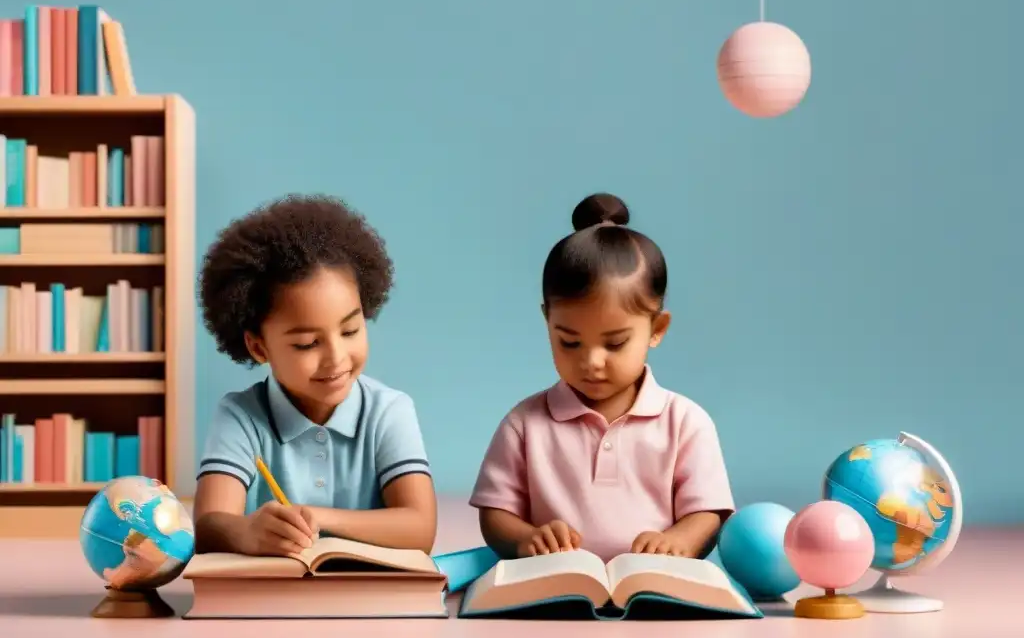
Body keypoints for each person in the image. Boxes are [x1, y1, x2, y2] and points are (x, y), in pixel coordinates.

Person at [469, 193, 735, 563]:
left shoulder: (685, 422)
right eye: (569, 341)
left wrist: (680, 540)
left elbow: (707, 511)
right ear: (548, 321)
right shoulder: (525, 423)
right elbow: (496, 514)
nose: (592, 362)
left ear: (657, 329)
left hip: (652, 586)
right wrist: (527, 538)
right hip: (557, 587)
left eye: (615, 343)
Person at [192, 194, 437, 556]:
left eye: (351, 331)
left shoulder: (389, 411)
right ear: (259, 348)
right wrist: (245, 532)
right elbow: (210, 524)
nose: (336, 358)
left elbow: (419, 528)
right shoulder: (240, 417)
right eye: (308, 344)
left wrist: (315, 518)